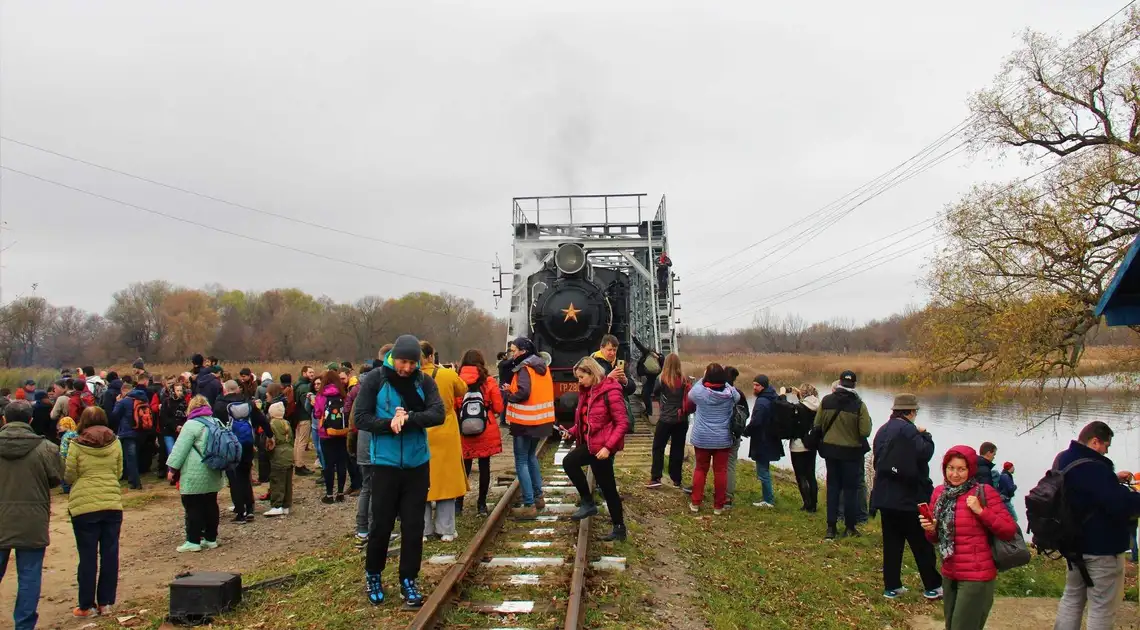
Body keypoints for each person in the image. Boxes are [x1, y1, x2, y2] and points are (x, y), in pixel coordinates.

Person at [355, 335, 446, 607]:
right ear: (393, 357)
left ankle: (409, 578)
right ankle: (374, 574)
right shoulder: (375, 379)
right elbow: (360, 418)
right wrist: (388, 423)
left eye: (412, 363)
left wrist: (408, 419)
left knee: (413, 524)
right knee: (381, 524)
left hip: (417, 464)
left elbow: (438, 413)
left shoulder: (424, 382)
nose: (406, 368)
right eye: (403, 362)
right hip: (384, 463)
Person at [1053, 421, 1140, 630]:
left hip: (1072, 545)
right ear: (1095, 441)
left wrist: (1111, 479)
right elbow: (1119, 504)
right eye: (1106, 446)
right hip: (1101, 548)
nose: (1106, 451)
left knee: (1072, 599)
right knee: (1101, 606)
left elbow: (1085, 491)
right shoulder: (1095, 467)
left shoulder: (1064, 458)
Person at [920, 445, 1016, 630]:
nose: (955, 474)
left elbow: (1008, 530)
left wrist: (981, 511)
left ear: (970, 469)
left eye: (961, 469)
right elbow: (935, 539)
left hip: (977, 575)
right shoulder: (940, 494)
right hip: (950, 572)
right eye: (951, 468)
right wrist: (931, 529)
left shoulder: (984, 492)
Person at [869, 394, 942, 601]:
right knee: (921, 543)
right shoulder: (910, 430)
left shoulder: (882, 430)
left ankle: (892, 587)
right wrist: (926, 435)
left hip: (885, 496)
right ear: (910, 412)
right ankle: (933, 586)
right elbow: (924, 453)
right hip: (909, 498)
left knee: (892, 544)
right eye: (915, 412)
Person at [0, 400, 62, 630]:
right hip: (33, 519)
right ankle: (24, 626)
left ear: (4, 419)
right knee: (29, 576)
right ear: (30, 420)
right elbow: (56, 479)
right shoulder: (46, 448)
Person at [65, 406, 123, 618]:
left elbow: (69, 474)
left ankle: (86, 605)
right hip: (111, 502)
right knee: (110, 554)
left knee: (87, 556)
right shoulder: (115, 442)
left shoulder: (76, 444)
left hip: (84, 505)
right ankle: (106, 603)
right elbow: (119, 471)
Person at [562, 357, 629, 541]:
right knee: (572, 464)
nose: (579, 381)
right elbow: (586, 421)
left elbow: (622, 423)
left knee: (607, 487)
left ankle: (616, 525)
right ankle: (592, 505)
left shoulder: (611, 391)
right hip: (591, 445)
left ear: (592, 374)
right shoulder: (587, 391)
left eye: (581, 377)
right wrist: (572, 432)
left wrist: (608, 447)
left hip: (601, 447)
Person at [420, 341, 469, 541]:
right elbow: (463, 389)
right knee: (446, 479)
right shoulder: (446, 375)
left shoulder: (411, 377)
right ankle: (446, 529)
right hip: (445, 430)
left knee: (420, 481)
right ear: (432, 356)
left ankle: (423, 530)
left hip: (420, 430)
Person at [815, 370, 872, 540]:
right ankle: (849, 527)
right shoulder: (859, 405)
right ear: (854, 385)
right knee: (850, 490)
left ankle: (831, 528)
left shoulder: (826, 400)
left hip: (831, 451)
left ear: (839, 383)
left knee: (832, 488)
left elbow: (817, 424)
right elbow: (865, 431)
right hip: (851, 453)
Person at [165, 395, 225, 553]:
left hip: (194, 471)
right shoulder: (216, 422)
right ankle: (211, 539)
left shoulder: (191, 425)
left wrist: (172, 469)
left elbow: (180, 449)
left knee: (193, 506)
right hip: (214, 469)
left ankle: (193, 540)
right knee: (211, 504)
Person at [504, 337, 556, 517]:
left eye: (514, 350)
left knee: (521, 460)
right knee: (531, 457)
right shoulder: (542, 367)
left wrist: (509, 395)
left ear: (523, 351)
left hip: (525, 422)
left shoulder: (524, 368)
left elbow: (524, 392)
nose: (512, 354)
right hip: (540, 421)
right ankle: (538, 496)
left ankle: (528, 503)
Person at [456, 349, 504, 517]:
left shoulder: (457, 380)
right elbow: (498, 407)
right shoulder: (489, 381)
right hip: (486, 430)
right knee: (485, 467)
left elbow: (454, 406)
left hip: (463, 431)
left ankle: (458, 505)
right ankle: (481, 505)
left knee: (464, 468)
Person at [213, 379, 270, 521]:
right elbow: (262, 420)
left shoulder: (220, 406)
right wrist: (269, 435)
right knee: (245, 475)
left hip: (230, 445)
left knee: (234, 478)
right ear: (238, 389)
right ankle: (250, 508)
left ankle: (240, 511)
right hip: (247, 443)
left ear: (225, 390)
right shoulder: (248, 403)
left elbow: (215, 427)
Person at [686, 363, 739, 514]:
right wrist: (725, 381)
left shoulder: (701, 393)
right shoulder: (729, 394)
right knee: (720, 471)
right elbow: (738, 396)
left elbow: (692, 392)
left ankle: (696, 503)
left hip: (702, 438)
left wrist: (703, 377)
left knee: (700, 469)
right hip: (722, 438)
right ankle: (718, 506)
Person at [353, 346, 390, 544]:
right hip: (373, 445)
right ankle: (370, 528)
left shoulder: (364, 384)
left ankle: (363, 528)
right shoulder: (380, 384)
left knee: (368, 487)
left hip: (363, 443)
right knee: (374, 488)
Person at [647, 353, 689, 490]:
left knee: (658, 447)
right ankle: (676, 479)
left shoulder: (661, 379)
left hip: (665, 419)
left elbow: (655, 393)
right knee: (677, 449)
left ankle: (656, 477)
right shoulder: (684, 379)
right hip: (681, 419)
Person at [743, 374, 783, 508]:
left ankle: (768, 500)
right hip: (772, 438)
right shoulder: (773, 396)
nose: (754, 387)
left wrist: (745, 431)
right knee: (764, 469)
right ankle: (768, 498)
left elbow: (756, 422)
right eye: (754, 384)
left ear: (763, 386)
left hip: (762, 439)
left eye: (757, 385)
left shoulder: (762, 401)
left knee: (763, 471)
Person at [111, 374, 153, 490]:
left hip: (128, 433)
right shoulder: (143, 398)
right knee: (134, 456)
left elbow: (114, 415)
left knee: (131, 458)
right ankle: (132, 479)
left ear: (124, 391)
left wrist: (117, 402)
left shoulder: (124, 401)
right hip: (141, 431)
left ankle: (136, 483)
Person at [314, 369, 350, 504]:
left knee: (329, 464)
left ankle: (329, 494)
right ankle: (340, 493)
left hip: (326, 433)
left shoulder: (321, 395)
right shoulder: (343, 394)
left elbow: (317, 414)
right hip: (341, 432)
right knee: (341, 463)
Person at [787, 384, 820, 512]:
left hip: (798, 445)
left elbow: (794, 421)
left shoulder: (799, 408)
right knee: (811, 474)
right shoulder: (820, 406)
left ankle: (807, 504)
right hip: (812, 444)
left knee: (801, 475)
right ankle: (814, 504)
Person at [723, 366, 748, 507]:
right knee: (731, 464)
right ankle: (728, 496)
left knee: (710, 463)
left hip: (719, 434)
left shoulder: (717, 392)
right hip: (734, 435)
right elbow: (746, 414)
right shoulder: (739, 394)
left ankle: (699, 489)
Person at [263, 402, 293, 518]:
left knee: (277, 481)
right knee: (287, 481)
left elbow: (270, 442)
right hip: (289, 453)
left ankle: (276, 505)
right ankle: (286, 505)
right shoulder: (287, 423)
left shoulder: (271, 424)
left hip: (278, 454)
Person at [160, 381, 189, 482]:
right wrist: (175, 426)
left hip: (181, 430)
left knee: (180, 452)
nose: (179, 392)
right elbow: (164, 417)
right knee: (171, 452)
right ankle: (172, 475)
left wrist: (182, 426)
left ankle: (180, 475)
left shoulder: (185, 402)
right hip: (169, 430)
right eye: (177, 390)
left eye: (181, 390)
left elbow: (186, 416)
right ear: (173, 391)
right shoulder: (167, 402)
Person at [632, 336, 662, 419]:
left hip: (650, 378)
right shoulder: (660, 357)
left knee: (645, 394)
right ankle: (649, 411)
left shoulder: (647, 353)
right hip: (654, 377)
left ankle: (649, 412)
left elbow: (640, 346)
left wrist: (634, 338)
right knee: (645, 393)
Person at [58, 416, 78, 493]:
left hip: (66, 458)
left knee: (65, 474)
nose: (59, 427)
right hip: (74, 457)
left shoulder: (66, 436)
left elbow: (64, 449)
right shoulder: (76, 433)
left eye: (61, 425)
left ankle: (66, 489)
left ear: (66, 425)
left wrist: (61, 458)